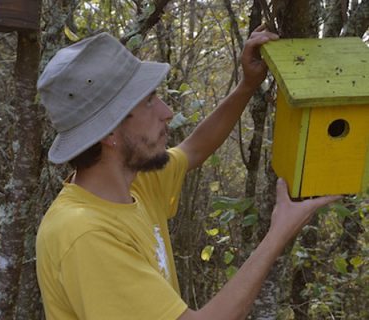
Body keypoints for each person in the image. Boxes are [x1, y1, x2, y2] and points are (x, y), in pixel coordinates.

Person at [36, 26, 340, 320]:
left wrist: (247, 86)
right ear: (109, 133)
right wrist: (278, 234)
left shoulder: (134, 183)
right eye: (149, 101)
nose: (167, 112)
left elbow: (193, 149)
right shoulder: (84, 234)